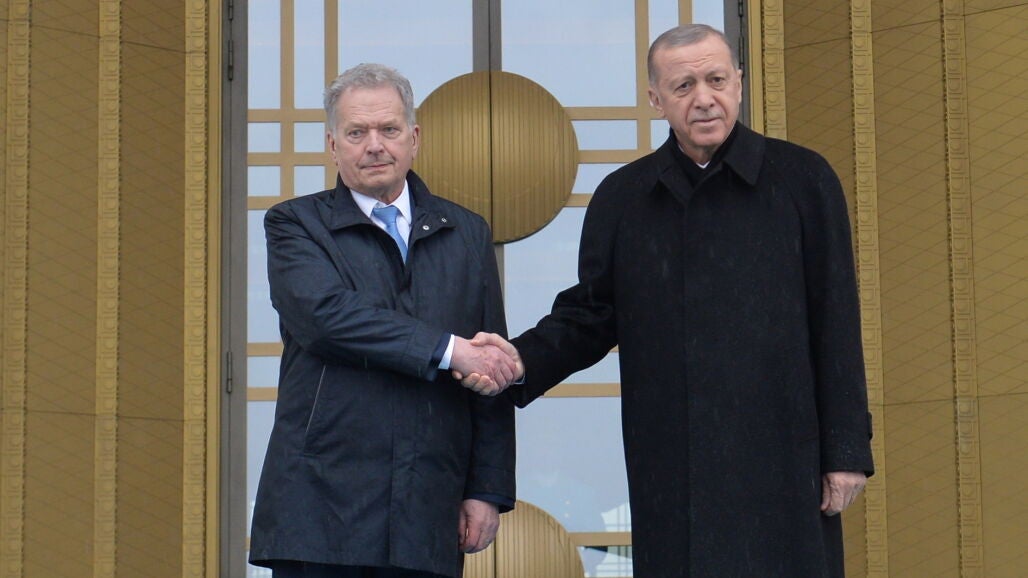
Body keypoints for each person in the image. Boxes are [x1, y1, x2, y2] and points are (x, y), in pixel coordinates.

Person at [462, 24, 875, 576]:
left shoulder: (803, 179)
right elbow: (590, 314)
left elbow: (836, 317)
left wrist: (845, 450)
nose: (704, 98)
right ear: (656, 99)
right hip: (673, 457)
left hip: (784, 451)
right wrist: (518, 360)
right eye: (683, 86)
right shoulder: (624, 197)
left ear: (740, 83)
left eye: (716, 80)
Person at [249, 63, 521, 578]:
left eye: (389, 129)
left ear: (414, 138)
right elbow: (326, 317)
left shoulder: (466, 232)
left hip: (429, 503)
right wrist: (450, 350)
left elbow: (488, 366)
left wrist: (487, 489)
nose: (374, 145)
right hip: (320, 508)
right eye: (357, 133)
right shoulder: (294, 224)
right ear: (333, 146)